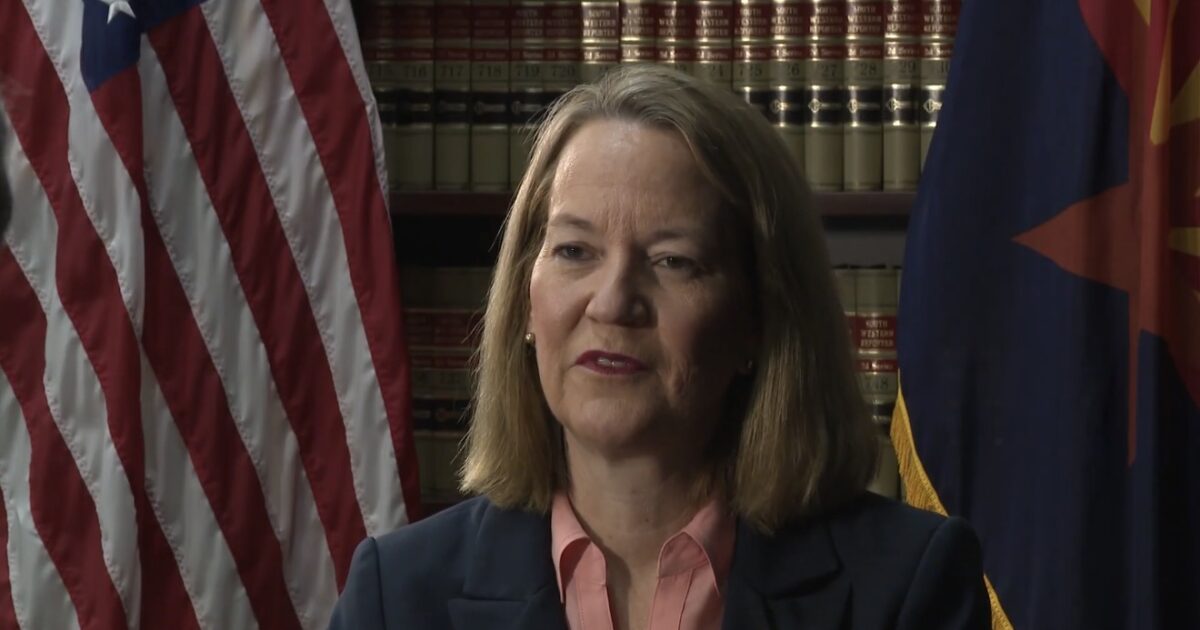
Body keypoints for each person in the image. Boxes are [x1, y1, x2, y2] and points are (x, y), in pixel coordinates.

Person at [328, 65, 990, 630]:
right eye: (575, 251)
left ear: (757, 318)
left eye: (674, 261)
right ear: (526, 302)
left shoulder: (906, 586)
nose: (614, 302)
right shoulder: (396, 595)